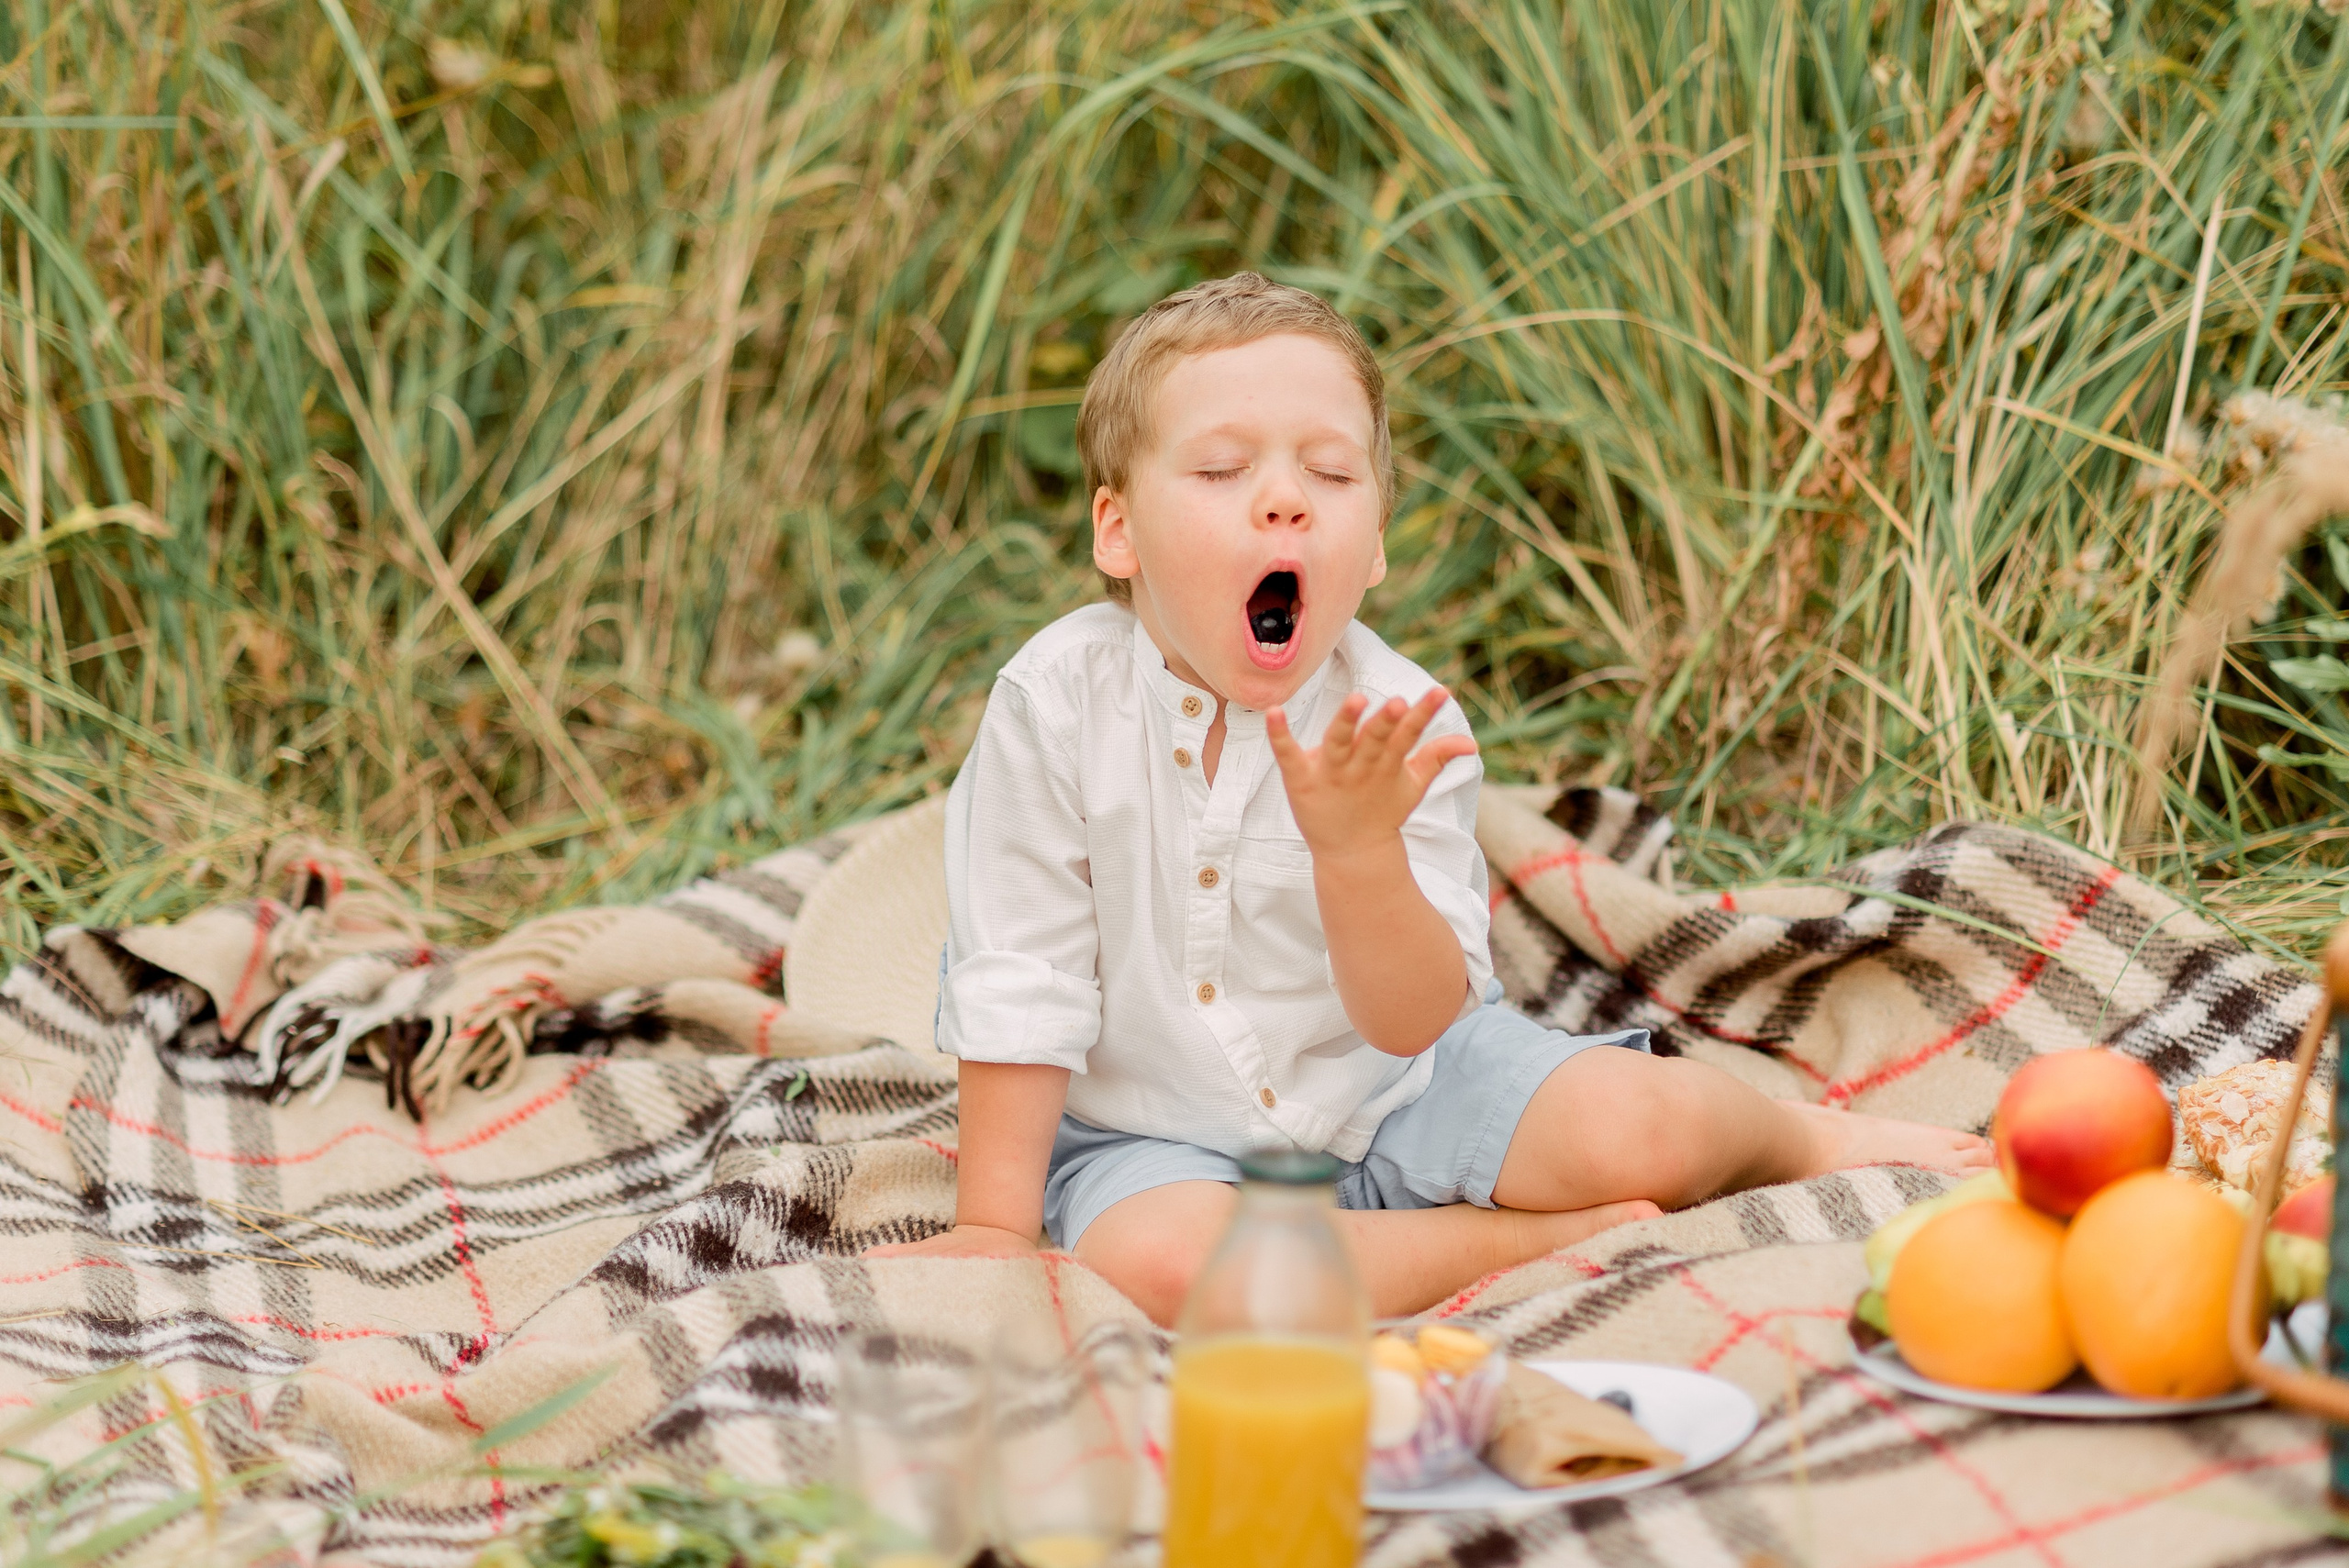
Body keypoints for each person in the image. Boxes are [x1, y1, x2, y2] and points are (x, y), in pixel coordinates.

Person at [868, 273, 1990, 1325]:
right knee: (1156, 1262)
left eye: (1331, 473)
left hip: (1401, 1088)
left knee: (1639, 1121)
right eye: (1220, 471)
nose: (1283, 503)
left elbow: (1415, 1020)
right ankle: (1500, 1247)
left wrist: (1357, 855)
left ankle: (1790, 1137)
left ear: (1376, 548)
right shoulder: (1055, 706)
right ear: (1118, 531)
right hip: (1156, 1136)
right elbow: (1025, 971)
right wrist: (994, 1225)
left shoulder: (1403, 720)